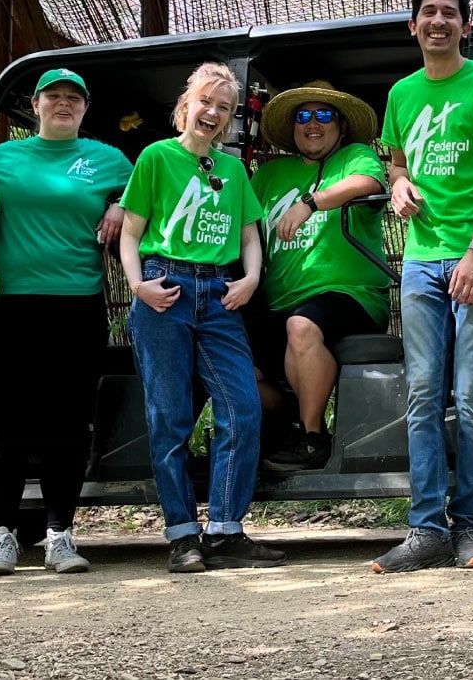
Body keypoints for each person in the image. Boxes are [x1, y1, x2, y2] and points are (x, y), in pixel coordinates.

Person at [374, 0, 473, 572]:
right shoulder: (402, 93)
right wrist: (400, 184)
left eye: (450, 14)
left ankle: (470, 527)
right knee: (422, 392)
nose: (438, 22)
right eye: (428, 13)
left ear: (465, 26)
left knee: (472, 393)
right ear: (414, 26)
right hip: (419, 260)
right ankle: (426, 529)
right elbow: (398, 161)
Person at [119, 61, 286, 572]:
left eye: (224, 107)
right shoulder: (156, 157)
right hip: (163, 286)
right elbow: (129, 232)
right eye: (205, 101)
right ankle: (181, 536)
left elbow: (250, 236)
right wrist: (137, 285)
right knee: (169, 417)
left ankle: (225, 531)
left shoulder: (233, 170)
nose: (213, 112)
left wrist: (251, 278)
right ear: (185, 106)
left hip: (218, 292)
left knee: (242, 406)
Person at [0, 68, 133, 575]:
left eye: (74, 98)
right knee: (7, 424)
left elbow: (152, 195)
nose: (63, 104)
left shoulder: (108, 158)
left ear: (85, 109)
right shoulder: (0, 159)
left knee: (69, 424)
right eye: (53, 96)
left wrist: (119, 203)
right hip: (7, 308)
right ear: (36, 104)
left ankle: (60, 536)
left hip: (77, 306)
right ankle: (1, 536)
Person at [249, 81, 390, 471]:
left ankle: (313, 437)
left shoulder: (355, 157)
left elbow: (369, 185)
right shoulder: (267, 175)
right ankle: (286, 420)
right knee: (229, 362)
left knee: (302, 325)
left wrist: (310, 203)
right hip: (276, 303)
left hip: (350, 295)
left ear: (341, 125)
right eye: (303, 115)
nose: (313, 123)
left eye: (324, 114)